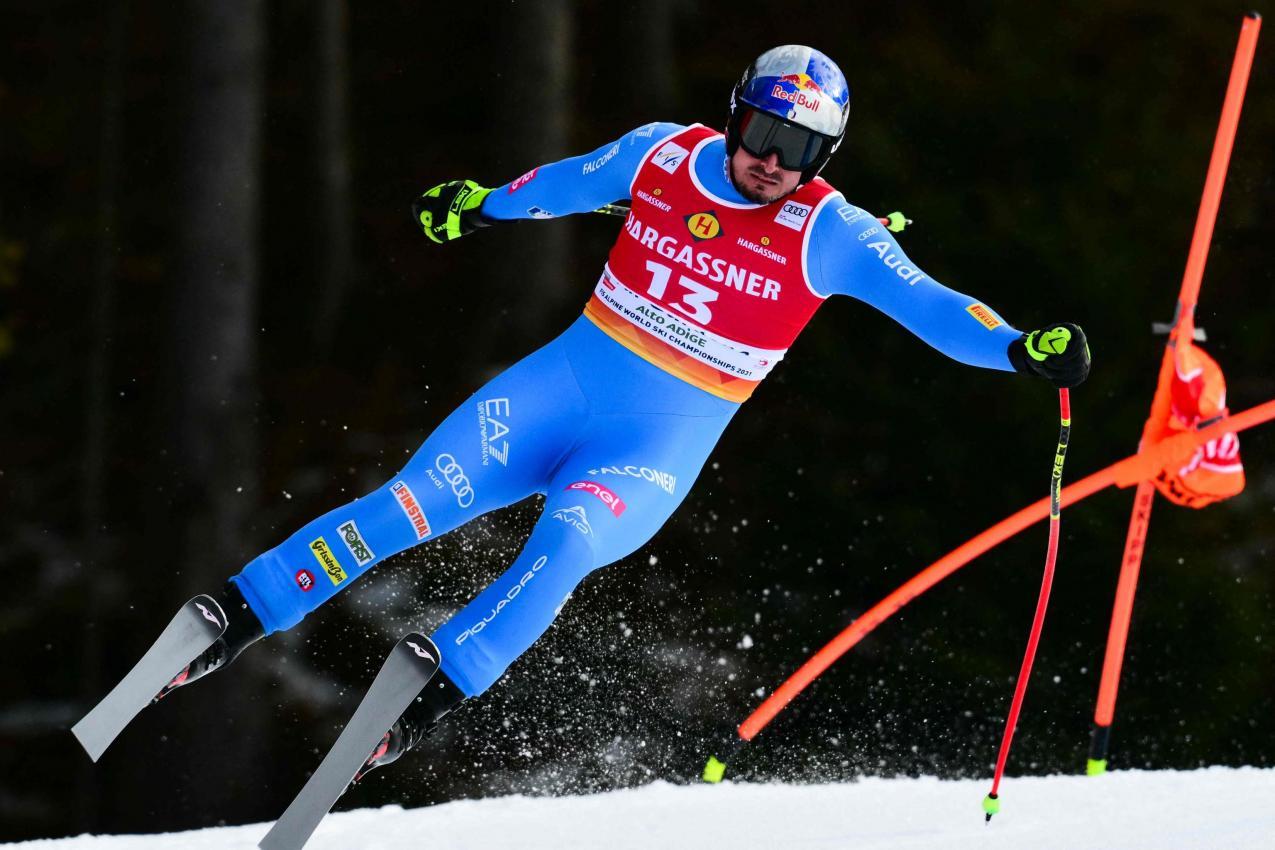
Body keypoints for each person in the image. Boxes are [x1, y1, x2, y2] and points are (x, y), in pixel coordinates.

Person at [152, 45, 1090, 786]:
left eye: (797, 151)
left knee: (563, 541)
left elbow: (933, 306)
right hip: (556, 392)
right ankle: (243, 610)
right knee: (412, 502)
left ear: (824, 158)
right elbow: (559, 184)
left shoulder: (832, 232)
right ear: (736, 115)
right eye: (761, 133)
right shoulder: (664, 155)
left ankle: (427, 695)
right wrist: (479, 206)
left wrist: (1017, 345)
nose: (769, 162)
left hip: (653, 446)